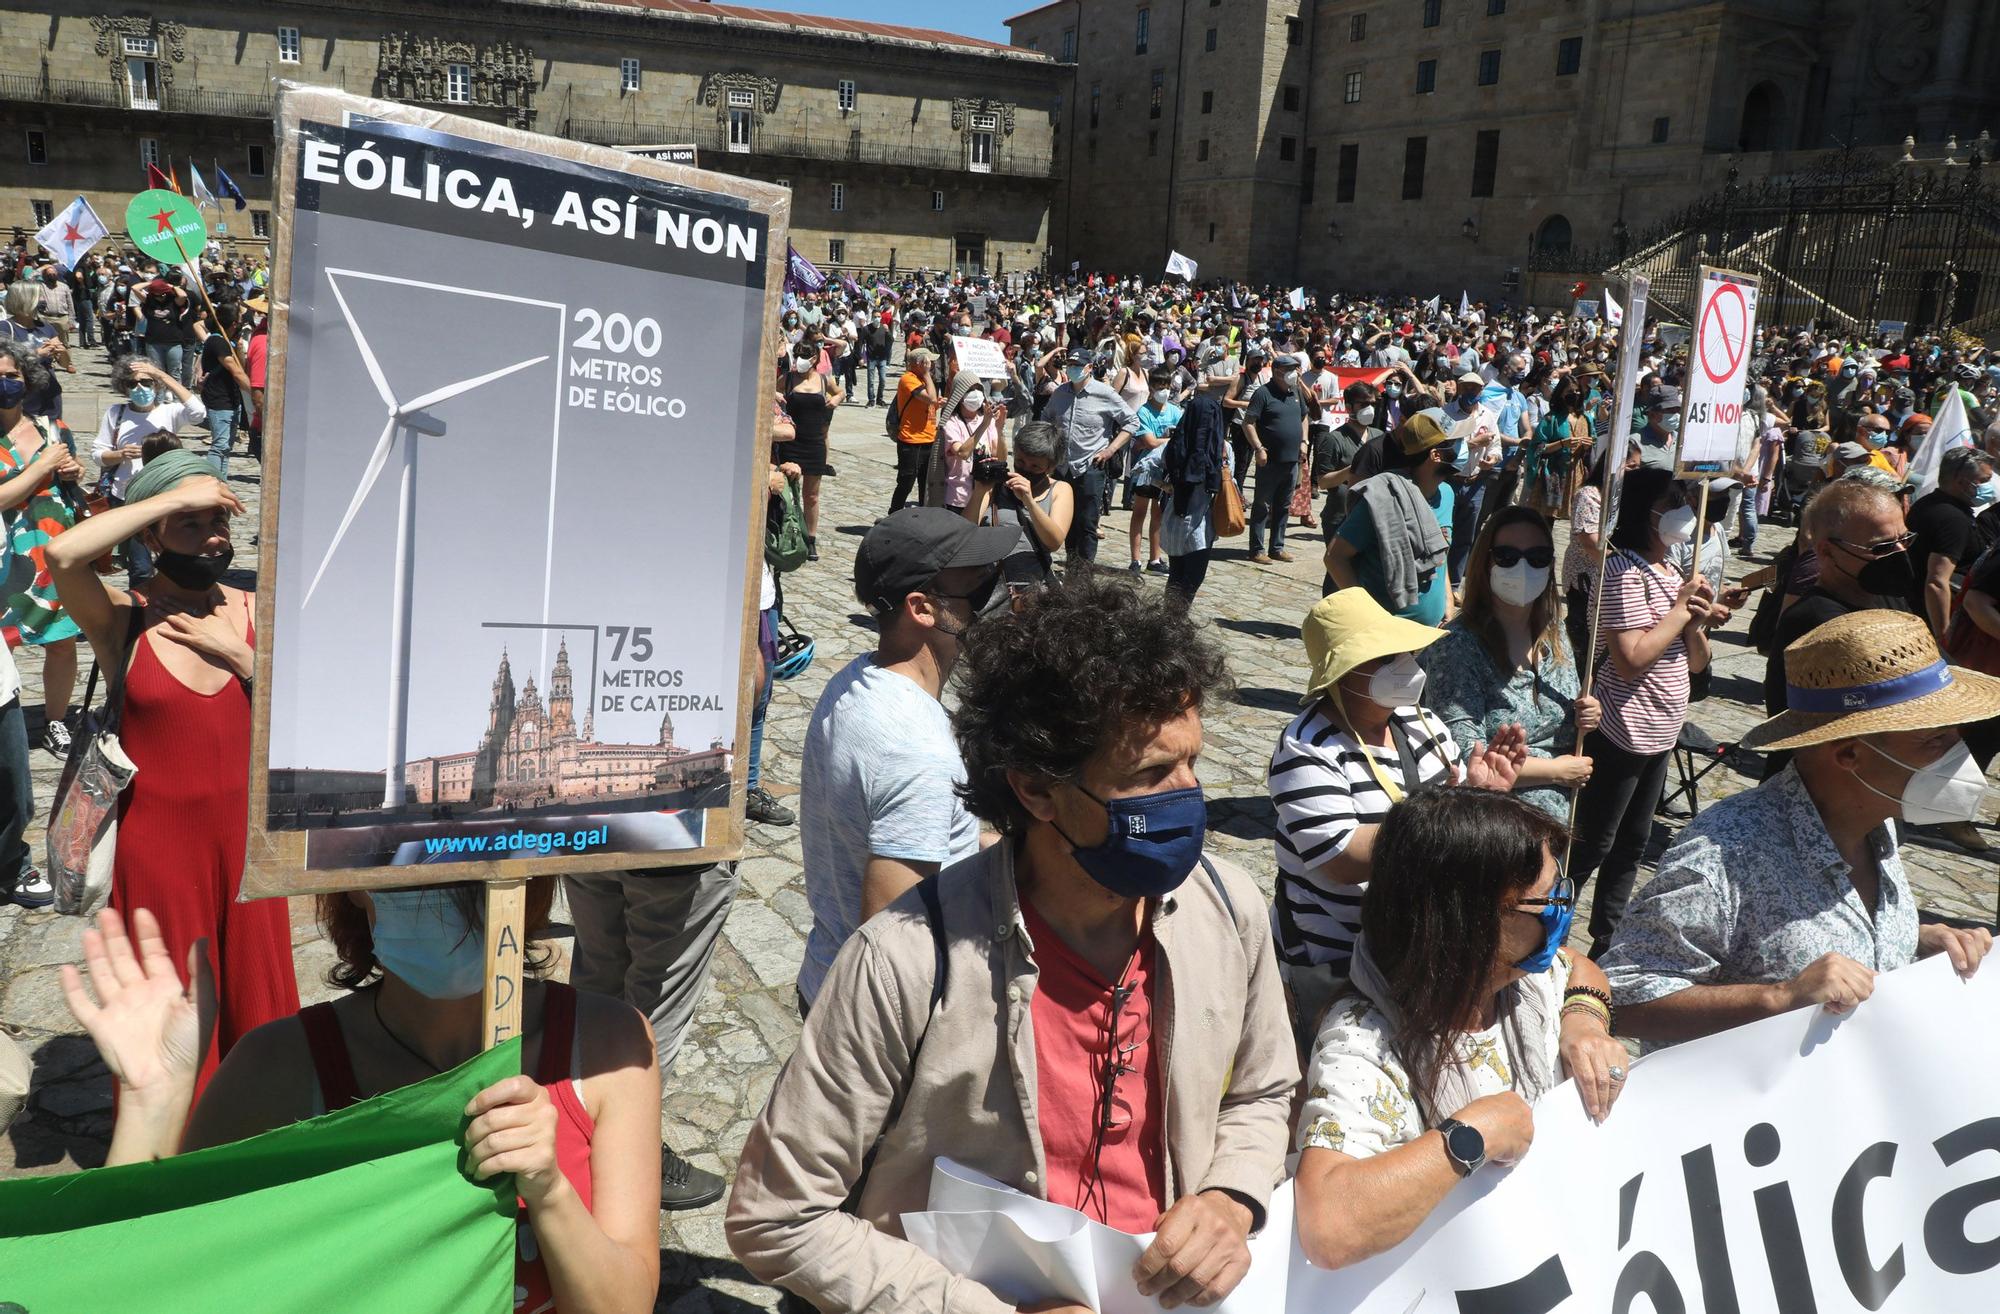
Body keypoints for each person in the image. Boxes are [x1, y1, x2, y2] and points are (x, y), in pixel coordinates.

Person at [728, 573, 1299, 1314]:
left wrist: (1229, 1198)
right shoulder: (906, 961)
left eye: (1192, 762)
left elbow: (1265, 1090)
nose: (1187, 798)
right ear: (1035, 790)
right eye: (1151, 775)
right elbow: (775, 1217)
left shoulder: (1228, 911)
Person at [61, 888, 664, 1313]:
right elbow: (158, 1275)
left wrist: (552, 1192)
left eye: (468, 862)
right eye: (405, 861)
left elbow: (624, 1305)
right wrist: (152, 1102)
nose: (438, 887)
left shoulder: (609, 1048)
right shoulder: (278, 1068)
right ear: (349, 883)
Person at [1603, 609, 1994, 1046]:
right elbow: (1622, 999)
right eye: (1934, 740)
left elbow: (1822, 936)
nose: (1958, 755)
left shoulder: (1878, 823)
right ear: (1848, 755)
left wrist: (1917, 940)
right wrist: (1779, 998)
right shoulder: (1724, 857)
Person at [44, 455, 297, 1099]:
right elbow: (66, 555)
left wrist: (244, 660)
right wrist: (164, 501)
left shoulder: (255, 609)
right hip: (158, 850)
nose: (213, 536)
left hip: (248, 850)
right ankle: (172, 1151)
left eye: (219, 522)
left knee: (260, 1008)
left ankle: (261, 1142)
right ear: (151, 536)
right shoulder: (122, 618)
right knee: (173, 1010)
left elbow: (308, 710)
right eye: (189, 524)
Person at [1293, 789, 1630, 1270]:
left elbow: (1578, 965)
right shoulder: (1364, 1041)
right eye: (1548, 900)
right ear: (1472, 923)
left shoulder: (1517, 978)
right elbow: (1330, 1227)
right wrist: (1472, 1135)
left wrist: (1585, 1018)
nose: (1563, 910)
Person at [1267, 589, 1524, 1037]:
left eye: (1404, 652)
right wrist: (1451, 815)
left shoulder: (1420, 720)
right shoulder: (1306, 747)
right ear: (1342, 674)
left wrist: (1484, 798)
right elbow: (1342, 858)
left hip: (1417, 947)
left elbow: (1455, 816)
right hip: (1338, 956)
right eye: (1383, 658)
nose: (1405, 665)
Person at [795, 508, 1017, 1015]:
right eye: (977, 589)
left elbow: (881, 830)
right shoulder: (918, 751)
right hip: (879, 1024)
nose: (993, 597)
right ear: (923, 608)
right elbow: (891, 949)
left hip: (824, 975)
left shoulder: (855, 680)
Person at [1568, 467, 1714, 956]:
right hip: (1623, 727)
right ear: (1645, 511)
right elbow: (1630, 660)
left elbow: (1698, 662)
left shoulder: (1673, 570)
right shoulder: (1622, 569)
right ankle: (1550, 920)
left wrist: (1694, 621)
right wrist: (1679, 611)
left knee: (1634, 842)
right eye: (1673, 499)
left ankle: (1606, 939)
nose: (1684, 508)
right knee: (1593, 843)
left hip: (1663, 729)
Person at [1423, 507, 1601, 819]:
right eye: (1507, 556)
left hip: (1559, 815)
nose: (1523, 567)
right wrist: (1556, 771)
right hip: (1492, 818)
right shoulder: (1456, 645)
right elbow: (1465, 755)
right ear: (1485, 562)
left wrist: (1587, 714)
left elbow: (1570, 712)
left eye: (1537, 557)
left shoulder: (1553, 630)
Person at [0, 337, 86, 755]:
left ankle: (56, 720)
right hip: (4, 557)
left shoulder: (53, 429)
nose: (5, 384)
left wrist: (71, 470)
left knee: (61, 639)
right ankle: (6, 728)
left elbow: (72, 481)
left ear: (27, 380)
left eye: (11, 376)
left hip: (54, 551)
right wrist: (44, 467)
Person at [1325, 412, 1456, 626]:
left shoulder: (1447, 494)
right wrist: (1365, 612)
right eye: (1457, 443)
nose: (1466, 447)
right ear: (1436, 455)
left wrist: (1447, 598)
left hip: (1429, 635)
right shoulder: (1383, 498)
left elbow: (1440, 551)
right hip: (1384, 638)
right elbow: (1334, 557)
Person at [1041, 347, 1141, 562]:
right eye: (1071, 365)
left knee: (1087, 523)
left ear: (1089, 368)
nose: (1073, 369)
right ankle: (1071, 565)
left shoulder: (1104, 393)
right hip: (1062, 467)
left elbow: (1131, 422)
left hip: (1090, 467)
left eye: (1078, 366)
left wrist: (1111, 449)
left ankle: (1083, 575)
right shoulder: (1060, 393)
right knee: (1065, 520)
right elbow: (1046, 418)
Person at [1158, 356, 1235, 604]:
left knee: (1175, 579)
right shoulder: (1223, 450)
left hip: (1175, 520)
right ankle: (1176, 625)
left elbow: (1146, 468)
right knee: (1190, 584)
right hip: (1201, 526)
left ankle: (1168, 623)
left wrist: (1166, 485)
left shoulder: (1175, 446)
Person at [964, 419, 1073, 589]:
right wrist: (979, 492)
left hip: (1032, 582)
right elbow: (965, 530)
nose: (1026, 469)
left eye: (1035, 466)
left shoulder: (1060, 489)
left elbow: (1053, 542)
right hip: (991, 579)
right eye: (1020, 462)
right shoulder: (997, 485)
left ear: (1050, 467)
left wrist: (1029, 501)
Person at [1909, 446, 1994, 641]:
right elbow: (1937, 581)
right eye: (1984, 481)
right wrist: (1944, 635)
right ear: (1962, 482)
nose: (1989, 487)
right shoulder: (1953, 520)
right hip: (1936, 622)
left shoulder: (1927, 503)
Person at [1243, 353, 1314, 565]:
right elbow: (1248, 423)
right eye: (1290, 370)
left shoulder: (1295, 392)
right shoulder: (1263, 394)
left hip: (1292, 460)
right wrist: (1258, 447)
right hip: (1270, 461)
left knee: (1283, 506)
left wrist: (1304, 441)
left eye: (1296, 369)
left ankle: (1277, 547)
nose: (1295, 374)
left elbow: (1304, 417)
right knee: (1262, 506)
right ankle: (1257, 549)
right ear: (1277, 372)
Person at [779, 337, 841, 561]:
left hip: (815, 442)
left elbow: (839, 392)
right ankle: (788, 533)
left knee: (812, 496)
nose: (800, 360)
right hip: (791, 442)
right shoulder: (787, 379)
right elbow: (770, 394)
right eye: (798, 355)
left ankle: (810, 539)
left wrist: (836, 400)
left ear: (815, 359)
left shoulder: (823, 380)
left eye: (805, 356)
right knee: (787, 494)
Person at [1125, 366, 1180, 573]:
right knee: (1139, 512)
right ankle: (1135, 559)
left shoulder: (1175, 411)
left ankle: (1155, 559)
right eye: (1159, 386)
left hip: (1165, 471)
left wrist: (1163, 441)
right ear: (1151, 388)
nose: (1163, 390)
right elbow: (1149, 442)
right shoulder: (1144, 412)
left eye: (1166, 386)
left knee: (1158, 514)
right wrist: (1169, 440)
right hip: (1146, 470)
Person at [191, 302, 251, 479]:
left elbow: (241, 364)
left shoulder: (228, 341)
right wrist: (256, 393)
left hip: (231, 398)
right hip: (220, 400)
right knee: (220, 446)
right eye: (239, 320)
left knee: (227, 446)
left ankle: (221, 481)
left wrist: (239, 347)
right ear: (234, 323)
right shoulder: (217, 342)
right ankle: (212, 482)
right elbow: (237, 371)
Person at [2, 280, 72, 420]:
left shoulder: (45, 326)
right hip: (23, 398)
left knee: (53, 437)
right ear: (25, 298)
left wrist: (62, 351)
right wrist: (36, 354)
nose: (43, 299)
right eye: (39, 295)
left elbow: (65, 364)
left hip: (50, 395)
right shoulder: (5, 328)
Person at [937, 371, 1004, 513]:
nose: (975, 393)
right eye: (970, 390)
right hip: (958, 496)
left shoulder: (986, 419)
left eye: (978, 389)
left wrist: (999, 429)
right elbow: (962, 452)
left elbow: (997, 454)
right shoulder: (951, 422)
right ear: (959, 395)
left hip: (984, 494)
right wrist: (984, 425)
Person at [889, 347, 941, 514]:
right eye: (928, 362)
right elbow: (930, 398)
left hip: (928, 438)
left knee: (925, 483)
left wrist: (938, 404)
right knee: (906, 481)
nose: (931, 364)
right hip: (912, 440)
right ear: (920, 364)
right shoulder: (908, 379)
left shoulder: (923, 380)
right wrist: (926, 375)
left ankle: (921, 515)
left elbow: (931, 403)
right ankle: (894, 513)